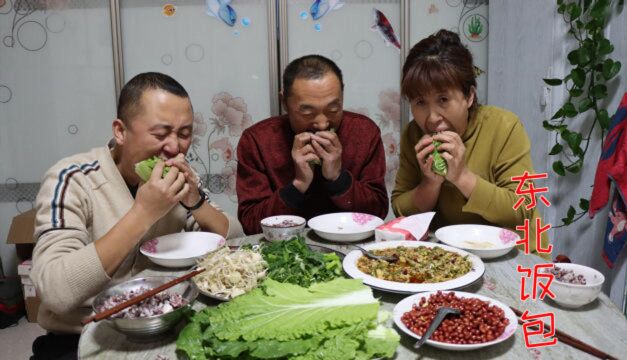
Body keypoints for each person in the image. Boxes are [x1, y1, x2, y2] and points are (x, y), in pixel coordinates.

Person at [29, 72, 243, 359]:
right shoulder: (71, 179)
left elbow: (235, 238)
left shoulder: (175, 176)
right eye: (160, 133)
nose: (174, 147)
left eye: (184, 133)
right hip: (85, 334)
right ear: (120, 131)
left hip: (167, 323)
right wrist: (143, 213)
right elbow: (56, 292)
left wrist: (196, 201)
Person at [391, 29, 549, 258]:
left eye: (443, 100)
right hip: (453, 258)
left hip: (516, 257)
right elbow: (400, 210)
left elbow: (522, 209)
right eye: (420, 102)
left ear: (469, 97)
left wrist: (461, 177)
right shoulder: (414, 135)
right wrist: (430, 184)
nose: (432, 117)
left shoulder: (504, 126)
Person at [236, 55, 388, 235]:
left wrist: (338, 179)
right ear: (284, 102)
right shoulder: (257, 141)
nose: (322, 123)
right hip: (283, 251)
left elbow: (378, 212)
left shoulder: (364, 133)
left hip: (351, 245)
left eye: (333, 109)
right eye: (308, 112)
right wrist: (298, 185)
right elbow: (251, 224)